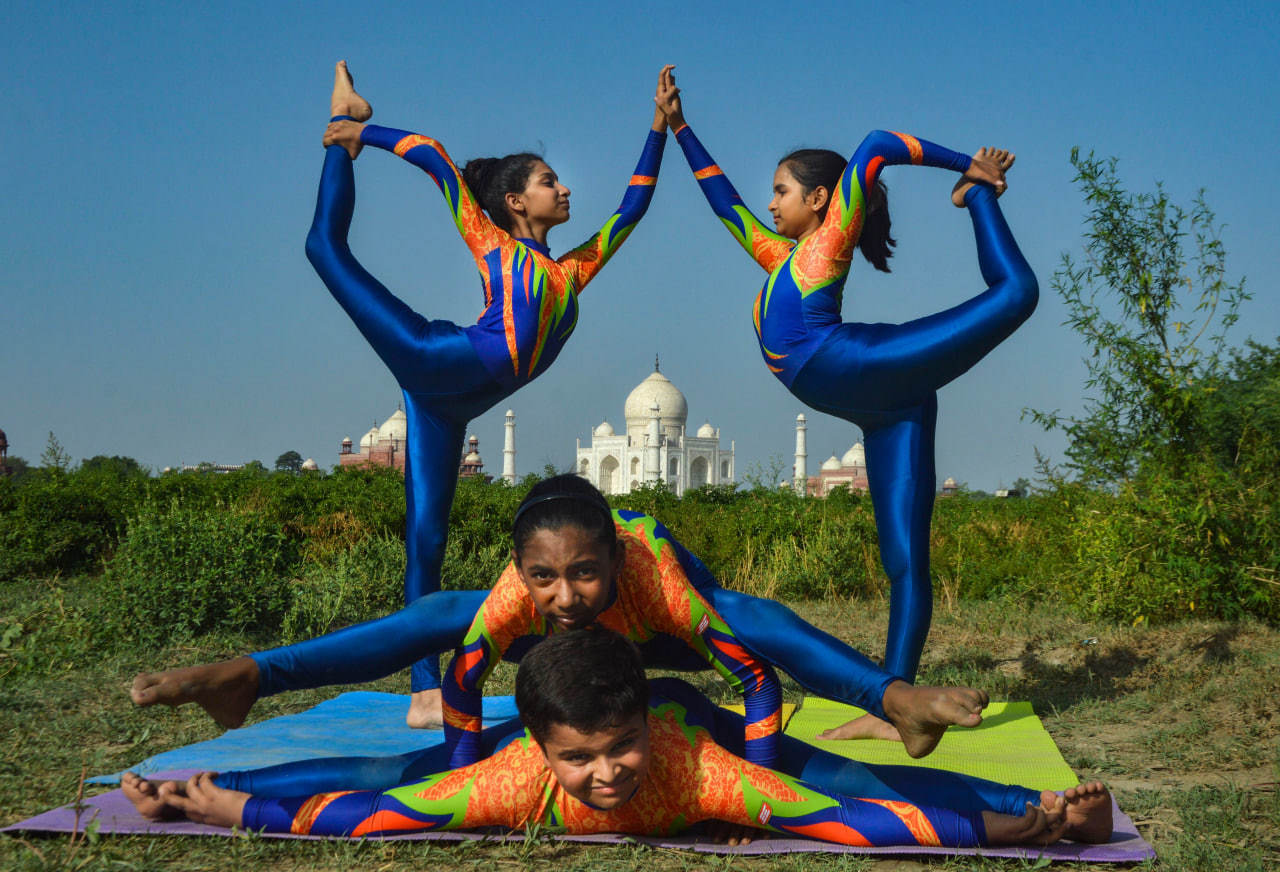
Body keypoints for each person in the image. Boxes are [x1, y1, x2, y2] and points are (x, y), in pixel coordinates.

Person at [132, 475, 993, 788]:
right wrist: (459, 771)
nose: (567, 594)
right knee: (440, 615)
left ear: (614, 558)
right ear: (522, 569)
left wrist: (762, 786)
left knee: (753, 618)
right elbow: (463, 675)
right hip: (567, 659)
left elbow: (756, 674)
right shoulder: (520, 596)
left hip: (660, 642)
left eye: (584, 573)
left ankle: (894, 698)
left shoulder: (654, 578)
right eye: (544, 577)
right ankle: (253, 675)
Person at [653, 72, 1038, 743]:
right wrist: (679, 126)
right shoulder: (780, 256)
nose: (770, 202)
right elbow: (723, 200)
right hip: (885, 406)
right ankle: (898, 709)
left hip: (868, 365)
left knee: (1017, 294)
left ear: (819, 199)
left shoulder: (829, 240)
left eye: (781, 190)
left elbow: (879, 143)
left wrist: (968, 168)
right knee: (903, 558)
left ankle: (977, 199)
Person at [309, 62, 670, 727]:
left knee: (427, 537)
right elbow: (434, 157)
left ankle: (424, 692)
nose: (564, 188)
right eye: (548, 181)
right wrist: (364, 136)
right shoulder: (495, 245)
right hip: (431, 356)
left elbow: (633, 208)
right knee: (323, 248)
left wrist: (659, 127)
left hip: (449, 407)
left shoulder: (571, 272)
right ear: (514, 202)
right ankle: (341, 126)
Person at [123, 629, 1112, 849]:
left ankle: (1036, 804)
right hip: (573, 708)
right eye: (579, 760)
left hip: (689, 712)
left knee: (839, 772)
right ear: (539, 747)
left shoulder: (693, 769)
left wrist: (1012, 828)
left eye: (614, 752)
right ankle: (210, 752)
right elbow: (368, 813)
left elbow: (852, 819)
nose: (603, 778)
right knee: (395, 767)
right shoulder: (513, 779)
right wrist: (227, 805)